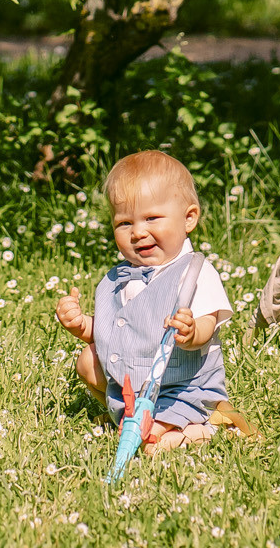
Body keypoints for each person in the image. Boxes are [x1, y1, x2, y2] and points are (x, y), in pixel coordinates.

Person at [53, 151, 240, 449]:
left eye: (152, 218)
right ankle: (131, 418)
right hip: (134, 383)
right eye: (124, 223)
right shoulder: (120, 278)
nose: (138, 232)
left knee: (154, 429)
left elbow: (208, 324)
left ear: (189, 218)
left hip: (183, 385)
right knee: (88, 359)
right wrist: (82, 326)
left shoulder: (194, 272)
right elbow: (114, 333)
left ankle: (195, 430)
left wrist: (191, 333)